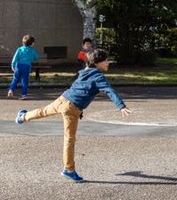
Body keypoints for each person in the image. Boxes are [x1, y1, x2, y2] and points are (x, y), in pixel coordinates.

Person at [15, 48, 132, 182]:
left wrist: (92, 91)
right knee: (69, 139)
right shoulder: (99, 76)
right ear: (97, 62)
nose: (108, 62)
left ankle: (22, 117)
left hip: (63, 99)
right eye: (105, 60)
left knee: (42, 111)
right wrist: (121, 106)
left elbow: (84, 86)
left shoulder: (85, 71)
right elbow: (110, 91)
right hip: (71, 109)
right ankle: (69, 170)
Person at [8, 35, 40, 100]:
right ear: (32, 43)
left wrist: (12, 65)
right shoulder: (32, 50)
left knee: (15, 79)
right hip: (26, 67)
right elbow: (36, 57)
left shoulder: (19, 49)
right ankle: (23, 95)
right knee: (25, 81)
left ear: (23, 42)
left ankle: (11, 90)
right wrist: (31, 58)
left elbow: (15, 58)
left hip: (18, 66)